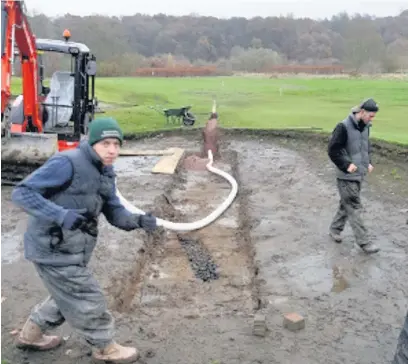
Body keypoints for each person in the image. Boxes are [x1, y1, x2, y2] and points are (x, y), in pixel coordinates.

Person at [11, 117, 158, 363]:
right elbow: (22, 193)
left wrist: (139, 221)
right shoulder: (67, 163)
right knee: (87, 297)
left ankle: (31, 336)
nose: (112, 150)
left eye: (117, 144)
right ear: (92, 143)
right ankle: (105, 348)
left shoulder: (106, 172)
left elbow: (115, 213)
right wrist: (60, 215)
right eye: (106, 144)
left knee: (66, 295)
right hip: (52, 248)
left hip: (74, 250)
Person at [327, 98, 380, 254]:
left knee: (346, 204)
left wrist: (368, 162)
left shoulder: (366, 127)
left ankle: (334, 229)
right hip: (346, 175)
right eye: (371, 115)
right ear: (362, 112)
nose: (372, 118)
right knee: (354, 206)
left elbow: (365, 146)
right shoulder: (343, 127)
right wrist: (346, 165)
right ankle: (364, 242)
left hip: (359, 173)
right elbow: (333, 149)